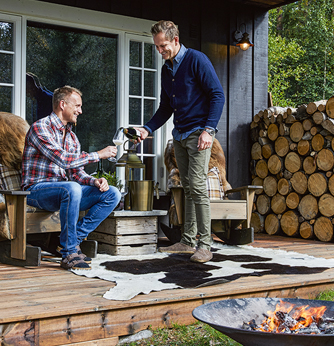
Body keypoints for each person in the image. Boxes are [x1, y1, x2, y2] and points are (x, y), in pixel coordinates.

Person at [135, 20, 225, 263]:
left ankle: (205, 245)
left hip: (199, 133)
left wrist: (209, 130)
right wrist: (147, 128)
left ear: (175, 40)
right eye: (156, 46)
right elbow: (166, 107)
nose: (159, 50)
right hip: (180, 134)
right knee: (186, 186)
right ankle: (187, 241)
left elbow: (217, 95)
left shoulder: (197, 60)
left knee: (196, 185)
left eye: (162, 45)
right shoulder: (167, 69)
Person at [21, 86, 121, 270]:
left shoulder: (72, 138)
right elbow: (63, 160)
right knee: (72, 187)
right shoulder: (40, 128)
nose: (80, 111)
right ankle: (69, 253)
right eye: (77, 106)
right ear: (62, 104)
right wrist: (98, 154)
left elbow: (75, 173)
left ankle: (71, 240)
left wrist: (94, 181)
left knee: (112, 194)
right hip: (36, 191)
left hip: (65, 191)